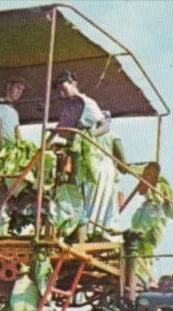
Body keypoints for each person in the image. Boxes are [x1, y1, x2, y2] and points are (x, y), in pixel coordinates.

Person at [55, 70, 124, 240]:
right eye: (59, 90)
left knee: (91, 190)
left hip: (90, 156)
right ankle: (76, 228)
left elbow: (104, 126)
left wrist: (89, 135)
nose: (61, 92)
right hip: (75, 154)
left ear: (72, 83)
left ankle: (94, 229)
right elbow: (61, 131)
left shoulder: (87, 103)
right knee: (76, 191)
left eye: (63, 87)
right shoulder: (69, 108)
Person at [0, 77, 28, 144]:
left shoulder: (14, 112)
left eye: (22, 90)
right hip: (2, 148)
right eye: (18, 88)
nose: (19, 92)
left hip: (13, 148)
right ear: (9, 86)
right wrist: (3, 148)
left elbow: (17, 132)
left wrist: (22, 146)